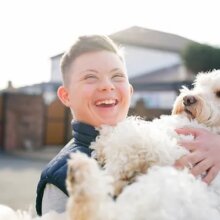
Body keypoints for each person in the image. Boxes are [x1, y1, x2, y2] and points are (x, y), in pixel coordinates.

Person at [35, 35, 133, 216]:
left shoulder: (157, 147)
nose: (107, 85)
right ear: (66, 96)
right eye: (90, 77)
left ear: (130, 90)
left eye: (117, 76)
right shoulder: (63, 177)